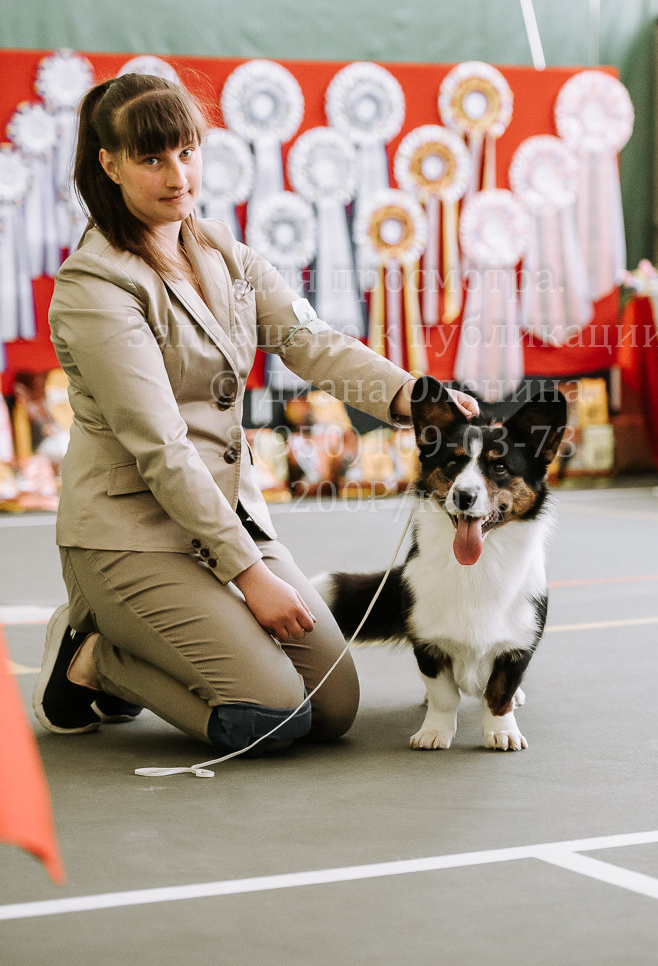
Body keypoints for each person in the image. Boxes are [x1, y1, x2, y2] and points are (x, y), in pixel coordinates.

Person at [33, 73, 477, 758]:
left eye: (187, 151)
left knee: (332, 709)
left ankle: (140, 648)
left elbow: (312, 342)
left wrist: (415, 396)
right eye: (152, 158)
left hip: (223, 518)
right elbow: (162, 447)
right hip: (131, 536)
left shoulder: (219, 249)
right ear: (109, 164)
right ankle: (91, 657)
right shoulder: (97, 286)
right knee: (268, 717)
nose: (178, 175)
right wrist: (252, 576)